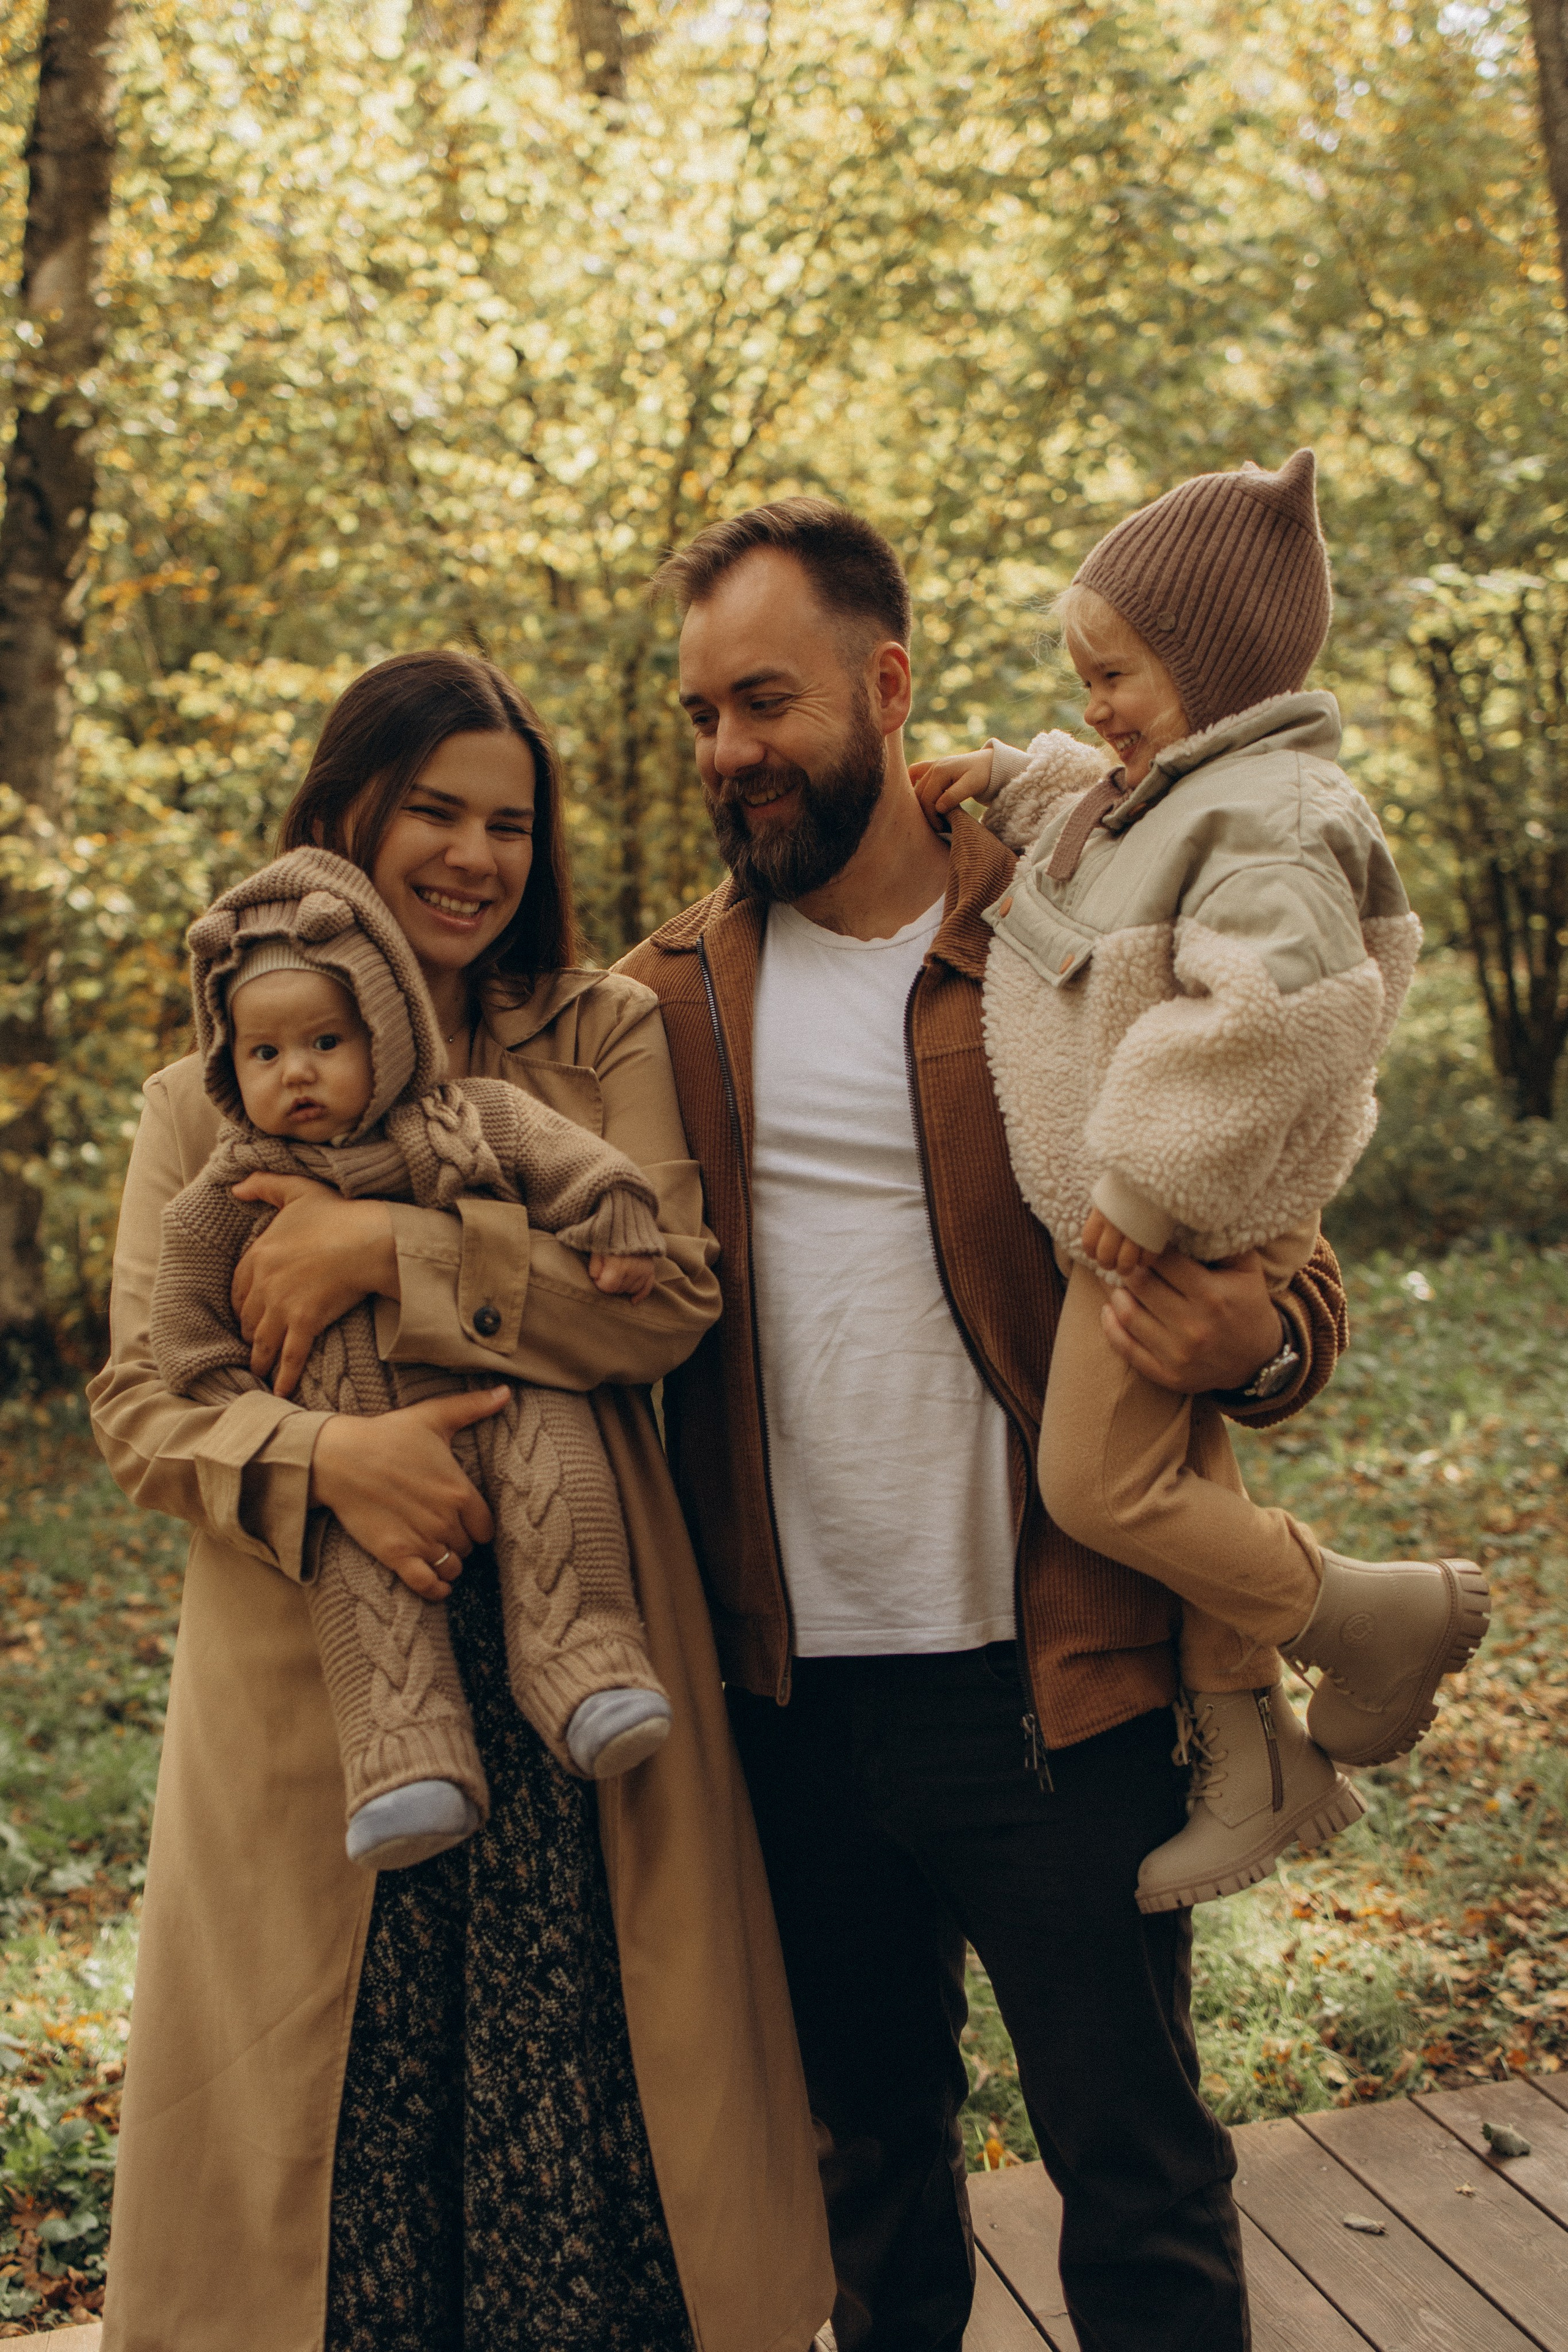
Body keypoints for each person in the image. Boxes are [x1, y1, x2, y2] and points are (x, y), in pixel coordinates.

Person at [620, 496, 1351, 2352]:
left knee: (1142, 2183)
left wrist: (1260, 1330)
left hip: (1061, 1688)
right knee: (870, 2197)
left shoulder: (1067, 932)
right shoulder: (667, 1001)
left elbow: (1280, 1217)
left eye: (765, 703)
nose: (730, 754)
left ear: (886, 683)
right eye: (702, 713)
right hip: (787, 1710)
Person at [88, 650, 833, 2352]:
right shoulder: (199, 1100)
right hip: (321, 1698)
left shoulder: (596, 1036)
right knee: (340, 2177)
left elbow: (669, 1295)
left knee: (592, 2144)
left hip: (583, 1687)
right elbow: (144, 1404)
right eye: (434, 809)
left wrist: (393, 1251)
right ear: (345, 809)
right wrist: (331, 1459)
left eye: (509, 822)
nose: (473, 857)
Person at [910, 450, 1488, 1916]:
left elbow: (1274, 1015)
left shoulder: (1278, 820)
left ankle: (1369, 1618)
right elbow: (1088, 810)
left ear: (1211, 665)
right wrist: (997, 772)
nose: (1093, 708)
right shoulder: (1166, 790)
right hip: (1131, 1217)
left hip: (1179, 1210)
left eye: (1116, 675)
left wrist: (1150, 1179)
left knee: (1098, 1483)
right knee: (1172, 1479)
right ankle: (1256, 1765)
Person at [152, 843, 677, 1875]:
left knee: (556, 1474)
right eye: (264, 1055)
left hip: (502, 1395)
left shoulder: (462, 1118)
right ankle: (405, 1760)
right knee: (364, 1582)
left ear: (383, 1033)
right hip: (351, 1460)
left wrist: (611, 1208)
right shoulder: (230, 1183)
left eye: (325, 1042)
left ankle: (590, 1665)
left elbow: (564, 1164)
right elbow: (178, 1341)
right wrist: (286, 1429)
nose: (295, 1071)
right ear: (230, 1064)